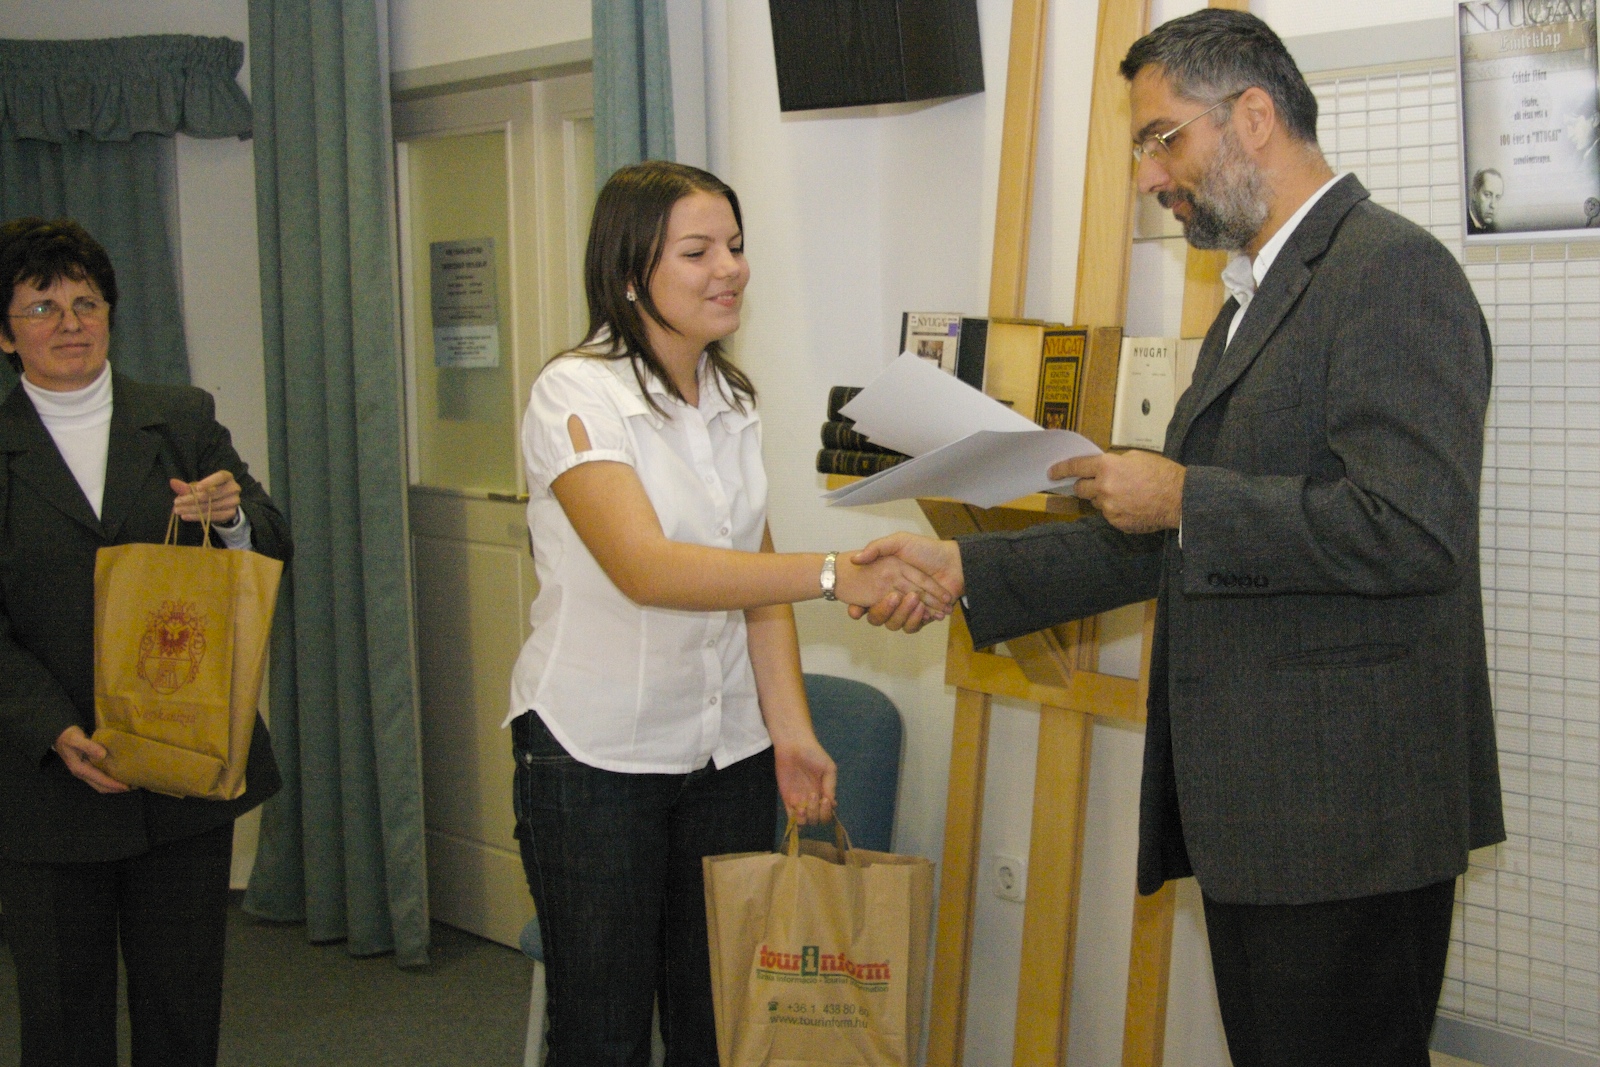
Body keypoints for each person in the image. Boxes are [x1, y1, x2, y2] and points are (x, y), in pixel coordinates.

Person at [853, 11, 1503, 1066]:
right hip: (1268, 820)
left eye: (1163, 139)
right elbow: (1162, 531)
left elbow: (1411, 528)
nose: (1151, 176)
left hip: (1350, 826)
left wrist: (1188, 497)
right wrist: (962, 565)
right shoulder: (1253, 298)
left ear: (1253, 116)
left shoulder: (1391, 272)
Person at [507, 160, 953, 1067]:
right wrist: (833, 574)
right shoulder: (576, 393)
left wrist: (790, 732)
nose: (730, 269)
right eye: (698, 251)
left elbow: (753, 577)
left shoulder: (730, 396)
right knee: (602, 1033)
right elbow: (645, 566)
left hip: (723, 757)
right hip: (595, 756)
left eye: (737, 247)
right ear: (630, 272)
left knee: (716, 1027)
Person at [0, 217, 291, 1066]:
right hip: (47, 779)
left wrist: (232, 516)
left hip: (182, 767)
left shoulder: (179, 416)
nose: (70, 323)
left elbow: (272, 540)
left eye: (87, 303)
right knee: (63, 1019)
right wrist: (53, 727)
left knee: (181, 1008)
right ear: (6, 335)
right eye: (43, 306)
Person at [1467, 168, 1503, 233]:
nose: (1493, 205)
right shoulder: (1464, 222)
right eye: (1487, 195)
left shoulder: (1495, 229)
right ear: (1474, 194)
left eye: (1497, 197)